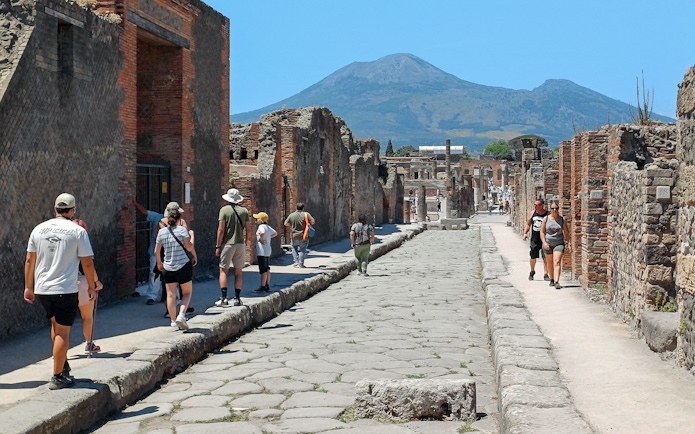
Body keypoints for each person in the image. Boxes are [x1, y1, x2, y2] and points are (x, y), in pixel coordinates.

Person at [24, 193, 98, 390]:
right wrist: (92, 286)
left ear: (55, 209)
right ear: (72, 210)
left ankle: (62, 362)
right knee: (63, 332)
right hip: (65, 288)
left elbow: (30, 260)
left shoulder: (38, 229)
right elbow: (87, 263)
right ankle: (57, 376)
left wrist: (28, 287)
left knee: (55, 327)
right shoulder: (77, 231)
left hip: (43, 288)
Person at [155, 202, 197, 330]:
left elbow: (156, 251)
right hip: (183, 265)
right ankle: (181, 315)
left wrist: (159, 263)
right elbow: (189, 246)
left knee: (170, 294)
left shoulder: (162, 232)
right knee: (187, 293)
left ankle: (173, 320)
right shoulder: (182, 231)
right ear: (179, 217)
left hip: (168, 267)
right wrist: (193, 239)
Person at [215, 188, 251, 307]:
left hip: (228, 243)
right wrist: (247, 240)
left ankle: (224, 298)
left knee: (223, 270)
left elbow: (221, 230)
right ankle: (237, 298)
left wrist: (218, 245)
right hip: (240, 243)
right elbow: (249, 228)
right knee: (238, 272)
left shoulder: (224, 210)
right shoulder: (244, 211)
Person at [73, 219, 103, 354]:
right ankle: (89, 344)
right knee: (87, 316)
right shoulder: (84, 246)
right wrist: (96, 283)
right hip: (82, 282)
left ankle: (60, 351)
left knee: (61, 321)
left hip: (63, 283)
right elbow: (89, 267)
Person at [132, 199, 164, 305]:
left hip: (167, 253)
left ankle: (167, 296)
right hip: (156, 253)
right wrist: (135, 204)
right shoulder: (157, 217)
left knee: (167, 275)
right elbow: (145, 212)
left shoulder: (177, 222)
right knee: (154, 274)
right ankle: (152, 296)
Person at [540, 201, 571, 289]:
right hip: (548, 244)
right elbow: (542, 232)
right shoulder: (546, 219)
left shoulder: (562, 220)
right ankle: (552, 279)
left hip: (559, 243)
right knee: (549, 263)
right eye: (553, 208)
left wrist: (569, 243)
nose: (554, 210)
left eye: (556, 208)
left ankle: (557, 281)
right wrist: (544, 243)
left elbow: (566, 232)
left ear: (558, 209)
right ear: (550, 209)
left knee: (556, 261)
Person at [522, 198, 550, 281]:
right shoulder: (532, 213)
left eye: (536, 205)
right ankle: (532, 271)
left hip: (545, 238)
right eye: (534, 205)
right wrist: (525, 233)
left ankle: (546, 274)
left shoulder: (548, 215)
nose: (535, 206)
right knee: (533, 256)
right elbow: (528, 224)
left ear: (542, 206)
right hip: (535, 238)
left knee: (545, 256)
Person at [252, 211, 277, 293]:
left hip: (262, 250)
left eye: (257, 219)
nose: (256, 220)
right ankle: (267, 284)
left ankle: (262, 286)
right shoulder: (268, 227)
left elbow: (262, 232)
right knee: (267, 268)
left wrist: (261, 239)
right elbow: (275, 233)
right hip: (268, 249)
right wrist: (268, 237)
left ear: (261, 220)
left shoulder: (261, 227)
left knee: (263, 269)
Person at [284, 202, 315, 268]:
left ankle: (295, 261)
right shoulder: (306, 214)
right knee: (302, 250)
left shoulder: (292, 215)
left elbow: (286, 223)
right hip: (304, 235)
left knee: (294, 248)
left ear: (296, 207)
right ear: (303, 208)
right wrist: (307, 223)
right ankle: (301, 263)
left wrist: (292, 224)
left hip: (294, 235)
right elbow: (313, 221)